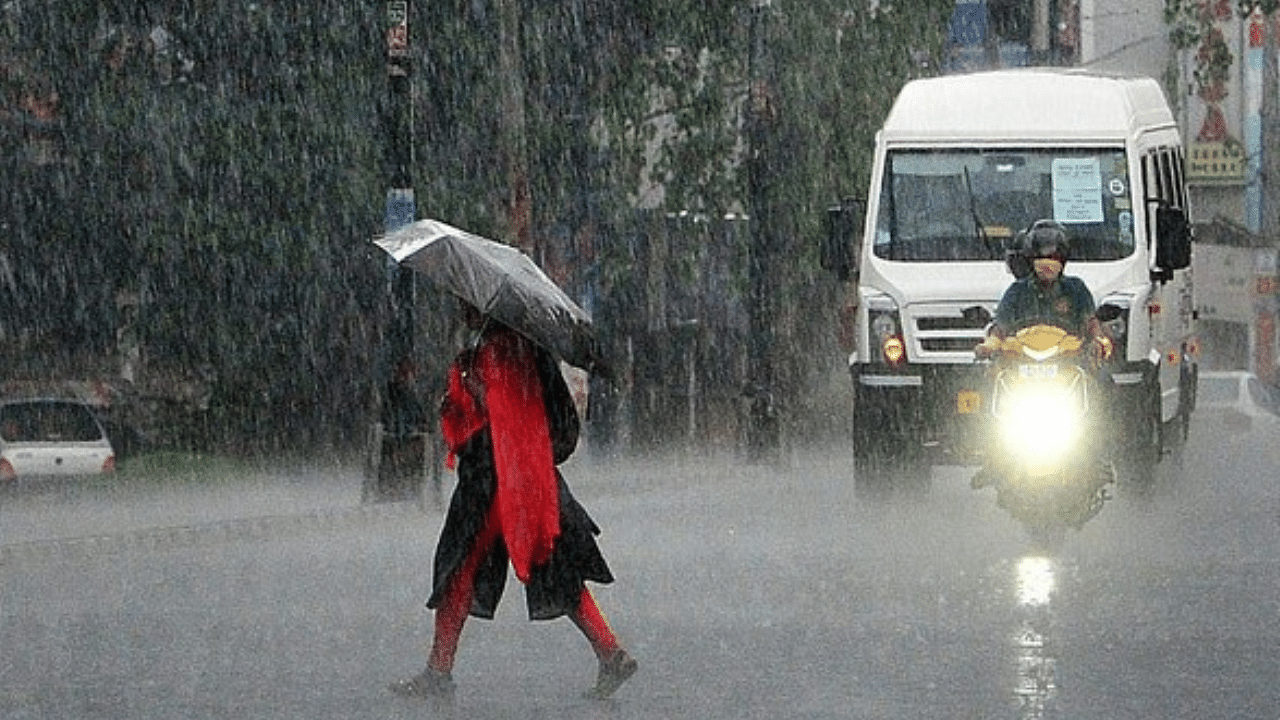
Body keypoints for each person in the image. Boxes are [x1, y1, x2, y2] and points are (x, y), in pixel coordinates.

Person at [390, 303, 637, 700]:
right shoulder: (525, 347)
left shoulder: (500, 349)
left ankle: (438, 673)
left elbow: (500, 414)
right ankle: (610, 652)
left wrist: (472, 390)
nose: (459, 308)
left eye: (465, 304)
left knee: (458, 568)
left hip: (495, 481)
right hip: (531, 475)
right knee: (555, 569)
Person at [975, 219, 1110, 360]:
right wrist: (989, 346)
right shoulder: (1017, 291)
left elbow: (1090, 322)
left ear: (1063, 260)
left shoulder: (1076, 288)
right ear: (1030, 259)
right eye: (1040, 257)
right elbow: (1001, 328)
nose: (1047, 263)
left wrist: (1098, 341)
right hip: (1020, 365)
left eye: (1054, 257)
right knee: (992, 377)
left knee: (1101, 378)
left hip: (1069, 364)